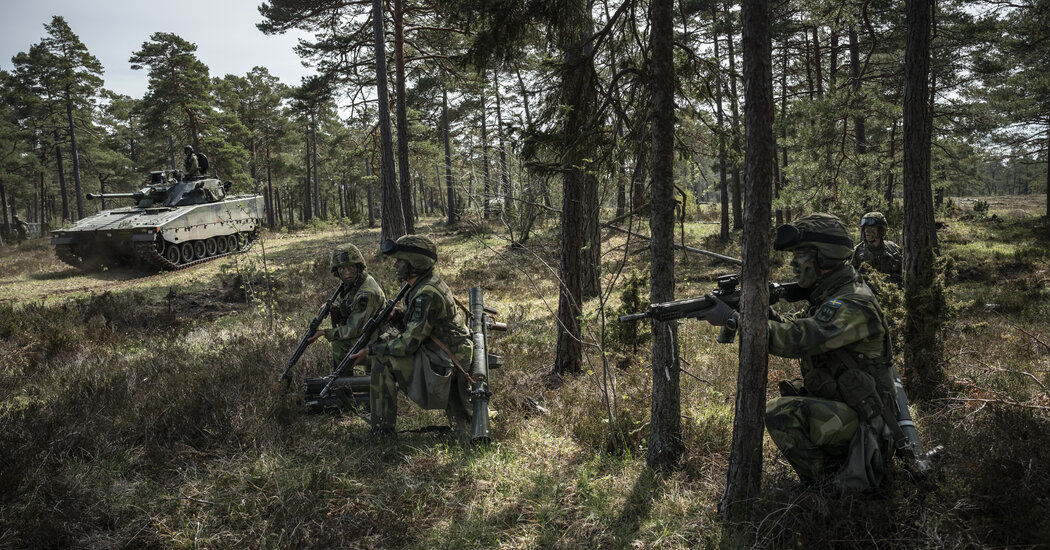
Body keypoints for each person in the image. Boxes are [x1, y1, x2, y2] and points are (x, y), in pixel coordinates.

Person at [703, 213, 902, 495]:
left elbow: (799, 339)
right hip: (852, 409)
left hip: (869, 428)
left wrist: (737, 320)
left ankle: (828, 488)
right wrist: (762, 312)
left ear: (824, 256)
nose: (793, 264)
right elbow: (798, 327)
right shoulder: (831, 293)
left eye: (800, 255)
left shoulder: (852, 301)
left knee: (779, 413)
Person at [344, 234, 474, 438]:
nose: (395, 265)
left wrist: (371, 350)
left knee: (383, 361)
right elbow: (423, 324)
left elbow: (408, 344)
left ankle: (381, 432)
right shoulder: (424, 283)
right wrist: (397, 316)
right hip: (445, 351)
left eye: (400, 261)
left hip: (445, 360)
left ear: (414, 264)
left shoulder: (425, 293)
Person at [307, 243, 386, 372]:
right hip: (370, 335)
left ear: (358, 267)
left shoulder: (366, 293)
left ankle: (343, 383)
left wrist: (324, 333)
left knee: (339, 345)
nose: (347, 272)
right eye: (342, 268)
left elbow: (353, 330)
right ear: (337, 271)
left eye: (351, 267)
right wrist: (335, 306)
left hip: (380, 342)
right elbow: (348, 303)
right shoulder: (353, 282)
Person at [851, 211, 903, 286]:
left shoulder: (894, 250)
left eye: (872, 228)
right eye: (866, 228)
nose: (867, 231)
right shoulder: (856, 252)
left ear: (881, 230)